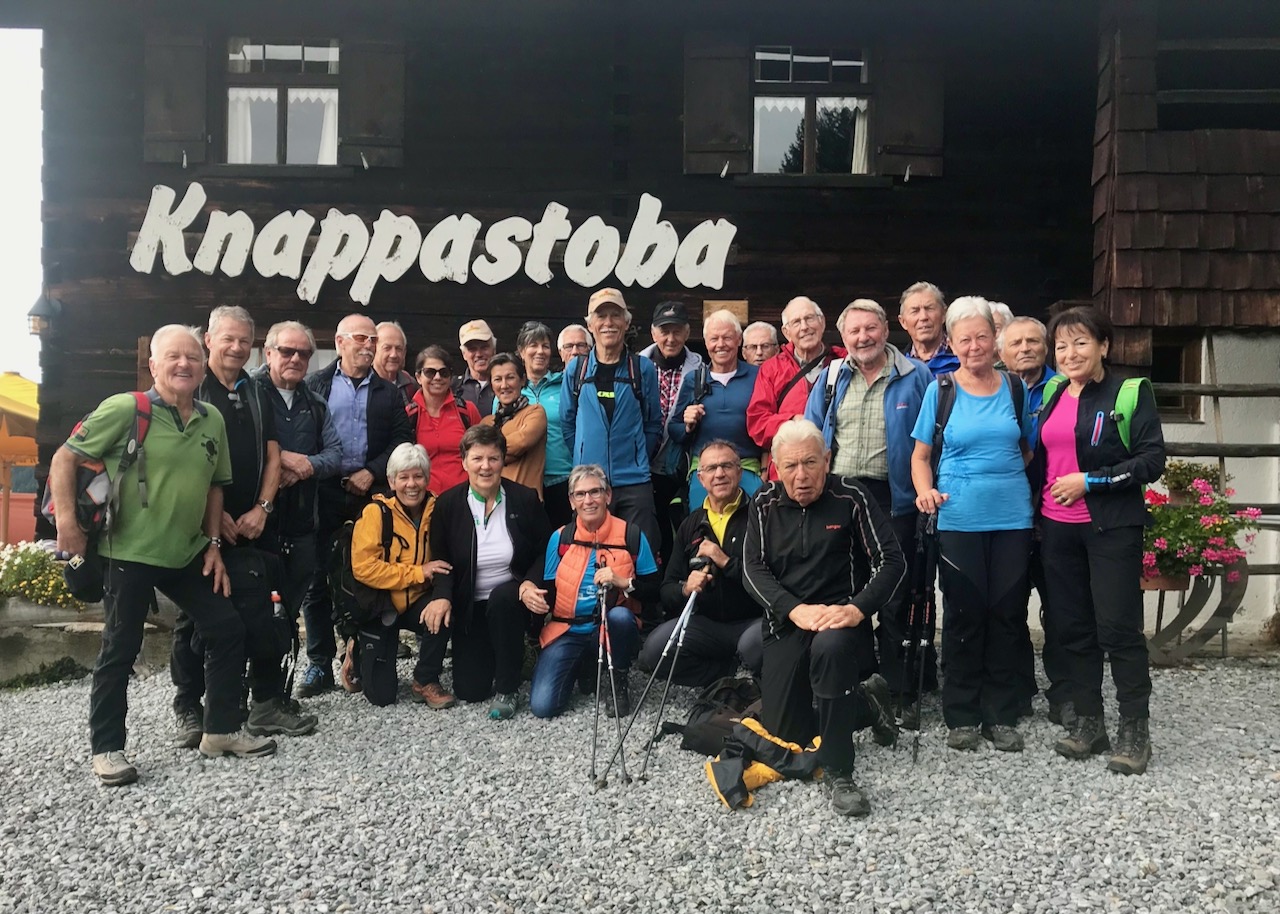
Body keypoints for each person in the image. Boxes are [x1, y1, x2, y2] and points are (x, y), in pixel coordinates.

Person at [49, 324, 276, 786]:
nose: (184, 364)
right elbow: (64, 458)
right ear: (153, 365)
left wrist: (214, 545)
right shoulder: (126, 408)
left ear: (202, 366)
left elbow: (215, 487)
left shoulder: (211, 419)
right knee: (120, 647)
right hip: (127, 552)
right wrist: (67, 523)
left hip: (185, 552)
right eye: (173, 357)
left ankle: (220, 730)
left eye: (192, 357)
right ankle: (107, 748)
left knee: (226, 627)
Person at [171, 306, 317, 745]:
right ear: (209, 341)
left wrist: (263, 508)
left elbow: (273, 455)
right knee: (196, 616)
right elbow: (178, 461)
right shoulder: (192, 388)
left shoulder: (255, 391)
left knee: (263, 610)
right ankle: (189, 706)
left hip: (254, 525)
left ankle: (264, 703)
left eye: (243, 340)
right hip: (201, 527)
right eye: (228, 339)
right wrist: (213, 518)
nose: (236, 348)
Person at [742, 419, 903, 818]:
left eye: (810, 463)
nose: (801, 475)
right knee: (788, 734)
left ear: (827, 460)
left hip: (839, 619)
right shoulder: (763, 502)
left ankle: (839, 771)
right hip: (788, 621)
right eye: (791, 466)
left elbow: (891, 561)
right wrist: (793, 609)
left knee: (830, 652)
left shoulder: (851, 496)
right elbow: (752, 569)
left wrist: (857, 608)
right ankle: (868, 703)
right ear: (776, 468)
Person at [1032, 306, 1165, 775]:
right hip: (1057, 528)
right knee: (1072, 629)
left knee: (1118, 629)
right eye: (1061, 346)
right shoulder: (1053, 392)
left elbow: (1150, 461)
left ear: (1104, 346)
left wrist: (1091, 481)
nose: (1070, 353)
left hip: (1110, 527)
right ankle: (1090, 721)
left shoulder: (1129, 392)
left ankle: (1134, 728)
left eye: (1081, 343)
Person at [910, 296, 1034, 754]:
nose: (974, 346)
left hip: (1012, 518)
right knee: (964, 612)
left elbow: (1026, 449)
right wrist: (926, 491)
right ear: (952, 343)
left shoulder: (1015, 388)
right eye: (965, 339)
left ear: (995, 339)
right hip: (959, 518)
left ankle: (1000, 714)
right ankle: (961, 714)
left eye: (982, 336)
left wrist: (999, 480)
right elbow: (920, 457)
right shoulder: (940, 390)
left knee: (1007, 613)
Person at [804, 299, 932, 712]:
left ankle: (897, 688)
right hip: (840, 496)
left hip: (893, 497)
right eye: (854, 331)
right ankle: (857, 680)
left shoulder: (916, 376)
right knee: (845, 586)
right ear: (843, 337)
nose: (863, 337)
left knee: (894, 591)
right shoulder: (831, 376)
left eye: (870, 328)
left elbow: (933, 439)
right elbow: (811, 433)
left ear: (886, 330)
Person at [297, 314, 412, 697]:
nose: (369, 345)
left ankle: (362, 655)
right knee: (316, 578)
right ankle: (319, 663)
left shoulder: (389, 392)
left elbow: (401, 439)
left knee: (367, 576)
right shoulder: (316, 384)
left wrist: (371, 471)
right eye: (362, 338)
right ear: (340, 342)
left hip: (369, 494)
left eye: (373, 339)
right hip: (323, 492)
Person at [425, 425, 553, 719]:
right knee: (470, 691)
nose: (486, 466)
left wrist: (529, 582)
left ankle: (508, 688)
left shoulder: (524, 499)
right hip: (470, 606)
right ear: (464, 462)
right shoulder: (447, 505)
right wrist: (442, 595)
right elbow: (441, 560)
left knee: (502, 598)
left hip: (512, 599)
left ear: (503, 460)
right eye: (477, 458)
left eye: (493, 458)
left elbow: (545, 549)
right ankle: (512, 655)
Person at [253, 320, 343, 694]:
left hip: (302, 523)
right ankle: (248, 691)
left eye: (303, 353)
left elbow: (335, 454)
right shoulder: (248, 395)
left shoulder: (315, 403)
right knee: (255, 608)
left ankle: (279, 692)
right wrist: (281, 460)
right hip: (256, 523)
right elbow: (236, 449)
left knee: (290, 608)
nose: (295, 358)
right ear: (268, 352)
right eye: (286, 351)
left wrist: (306, 465)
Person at [528, 464, 661, 719]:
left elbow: (655, 591)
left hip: (611, 627)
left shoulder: (631, 534)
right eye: (580, 494)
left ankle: (618, 677)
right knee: (543, 706)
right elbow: (548, 589)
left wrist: (624, 583)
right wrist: (529, 597)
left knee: (620, 617)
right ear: (571, 501)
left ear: (608, 496)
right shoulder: (561, 537)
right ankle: (585, 664)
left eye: (595, 492)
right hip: (567, 629)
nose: (588, 500)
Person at [643, 441, 763, 686]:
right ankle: (726, 677)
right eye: (711, 468)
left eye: (726, 466)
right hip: (707, 624)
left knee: (757, 645)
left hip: (752, 620)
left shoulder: (761, 517)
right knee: (653, 652)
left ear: (739, 472)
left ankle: (756, 682)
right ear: (701, 478)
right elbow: (667, 588)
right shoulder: (691, 524)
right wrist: (686, 588)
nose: (719, 474)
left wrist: (726, 562)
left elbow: (773, 580)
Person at [560, 288, 663, 570]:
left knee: (641, 558)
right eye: (601, 316)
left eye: (615, 315)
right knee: (588, 558)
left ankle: (641, 600)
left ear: (626, 322)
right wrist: (583, 458)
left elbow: (653, 422)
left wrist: (638, 457)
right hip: (589, 485)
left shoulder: (642, 369)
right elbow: (568, 423)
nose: (608, 322)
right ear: (590, 324)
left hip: (633, 482)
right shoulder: (577, 370)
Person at [997, 314, 1065, 720]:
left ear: (1046, 347)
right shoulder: (995, 388)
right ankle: (1018, 687)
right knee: (1010, 605)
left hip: (1057, 513)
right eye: (1016, 343)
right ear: (1002, 352)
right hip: (1010, 514)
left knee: (1061, 608)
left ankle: (1065, 694)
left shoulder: (1065, 387)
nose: (1025, 348)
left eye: (1033, 341)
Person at [349, 443, 452, 706]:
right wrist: (417, 573)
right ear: (391, 481)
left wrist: (440, 595)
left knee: (443, 611)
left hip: (418, 600)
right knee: (381, 697)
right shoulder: (375, 513)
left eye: (418, 476)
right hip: (380, 604)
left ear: (427, 478)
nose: (411, 484)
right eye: (403, 477)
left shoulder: (438, 509)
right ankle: (355, 650)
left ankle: (425, 679)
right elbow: (364, 568)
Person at [668, 309, 763, 508]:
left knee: (751, 523)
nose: (720, 344)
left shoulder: (758, 376)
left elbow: (768, 423)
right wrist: (687, 425)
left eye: (727, 337)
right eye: (714, 339)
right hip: (705, 471)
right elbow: (674, 430)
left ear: (738, 340)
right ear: (706, 343)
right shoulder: (694, 379)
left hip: (746, 467)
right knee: (703, 524)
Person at [746, 296, 846, 479]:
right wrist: (793, 420)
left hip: (837, 467)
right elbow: (758, 423)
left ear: (822, 322)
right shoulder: (772, 368)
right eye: (796, 322)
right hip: (789, 470)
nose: (804, 327)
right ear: (786, 332)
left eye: (809, 318)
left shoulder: (844, 361)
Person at [640, 300, 703, 566]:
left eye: (677, 331)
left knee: (678, 525)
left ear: (687, 333)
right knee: (648, 528)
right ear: (653, 333)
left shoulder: (700, 370)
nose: (670, 338)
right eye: (664, 331)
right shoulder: (637, 366)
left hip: (676, 464)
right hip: (642, 462)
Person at [409, 345, 483, 497]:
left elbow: (482, 452)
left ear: (450, 377)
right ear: (418, 377)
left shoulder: (467, 411)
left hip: (464, 497)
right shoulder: (409, 414)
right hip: (423, 499)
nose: (437, 377)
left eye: (444, 372)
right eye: (430, 372)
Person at [520, 321, 574, 525]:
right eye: (533, 345)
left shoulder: (565, 385)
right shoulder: (510, 390)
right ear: (521, 351)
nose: (540, 351)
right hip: (525, 483)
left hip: (562, 479)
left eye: (545, 346)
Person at [480, 353, 547, 497]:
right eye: (498, 379)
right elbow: (475, 454)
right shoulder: (487, 422)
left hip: (525, 501)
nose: (504, 385)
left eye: (510, 377)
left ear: (522, 380)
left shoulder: (535, 412)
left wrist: (488, 453)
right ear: (491, 385)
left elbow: (522, 442)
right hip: (491, 501)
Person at [899, 281, 960, 377]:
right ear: (903, 322)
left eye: (929, 308)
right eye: (915, 311)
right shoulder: (896, 365)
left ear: (943, 314)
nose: (923, 317)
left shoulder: (964, 357)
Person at [374, 320, 420, 407]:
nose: (394, 355)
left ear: (404, 353)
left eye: (398, 349)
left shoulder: (410, 385)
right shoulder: (364, 384)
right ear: (374, 349)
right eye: (387, 348)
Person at [456, 319, 497, 415]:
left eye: (484, 347)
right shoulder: (452, 388)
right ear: (464, 354)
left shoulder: (507, 386)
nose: (479, 354)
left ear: (494, 349)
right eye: (472, 349)